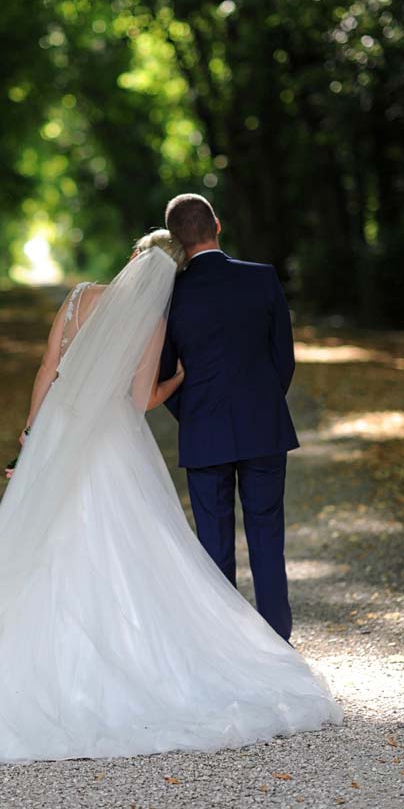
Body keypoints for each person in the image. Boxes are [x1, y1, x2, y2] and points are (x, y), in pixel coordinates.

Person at [0, 229, 341, 763]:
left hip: (58, 429)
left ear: (133, 257)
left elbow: (48, 368)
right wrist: (177, 379)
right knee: (118, 537)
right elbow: (140, 399)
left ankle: (26, 656)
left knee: (42, 533)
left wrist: (30, 431)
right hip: (111, 440)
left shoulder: (79, 296)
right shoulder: (151, 320)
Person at [160, 193, 299, 641]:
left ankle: (227, 647)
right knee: (267, 537)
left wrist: (194, 415)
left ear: (176, 240)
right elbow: (284, 360)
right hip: (264, 426)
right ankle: (277, 640)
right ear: (217, 225)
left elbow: (163, 374)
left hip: (204, 431)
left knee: (214, 547)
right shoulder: (262, 278)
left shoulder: (170, 295)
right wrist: (261, 403)